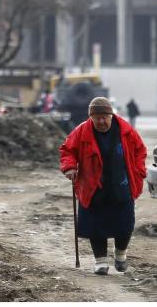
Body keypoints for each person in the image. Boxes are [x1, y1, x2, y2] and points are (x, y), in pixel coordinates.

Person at [60, 96, 147, 274]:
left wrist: (139, 171)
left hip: (121, 184)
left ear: (111, 116)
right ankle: (100, 261)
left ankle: (121, 254)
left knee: (124, 224)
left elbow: (140, 150)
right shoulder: (81, 131)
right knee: (96, 224)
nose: (101, 121)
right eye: (97, 117)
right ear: (91, 117)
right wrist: (69, 167)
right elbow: (67, 150)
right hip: (93, 187)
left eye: (104, 117)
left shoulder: (126, 130)